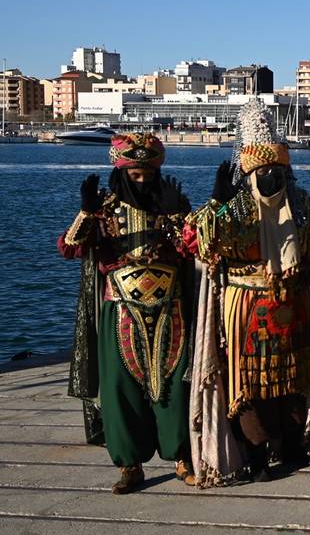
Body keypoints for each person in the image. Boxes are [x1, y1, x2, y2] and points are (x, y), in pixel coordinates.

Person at [185, 99, 310, 484]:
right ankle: (256, 450)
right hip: (245, 306)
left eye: (277, 170)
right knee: (248, 382)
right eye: (262, 171)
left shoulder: (300, 205)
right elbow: (197, 244)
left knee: (295, 375)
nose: (270, 178)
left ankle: (291, 442)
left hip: (292, 303)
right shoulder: (233, 206)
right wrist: (215, 205)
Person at [59, 133, 196, 493]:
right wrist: (86, 212)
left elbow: (196, 246)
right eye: (134, 175)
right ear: (120, 172)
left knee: (175, 384)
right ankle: (130, 464)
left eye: (147, 174)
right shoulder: (103, 208)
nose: (141, 181)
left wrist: (179, 214)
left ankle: (183, 456)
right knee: (121, 389)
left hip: (170, 309)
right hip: (119, 309)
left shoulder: (172, 203)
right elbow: (70, 248)